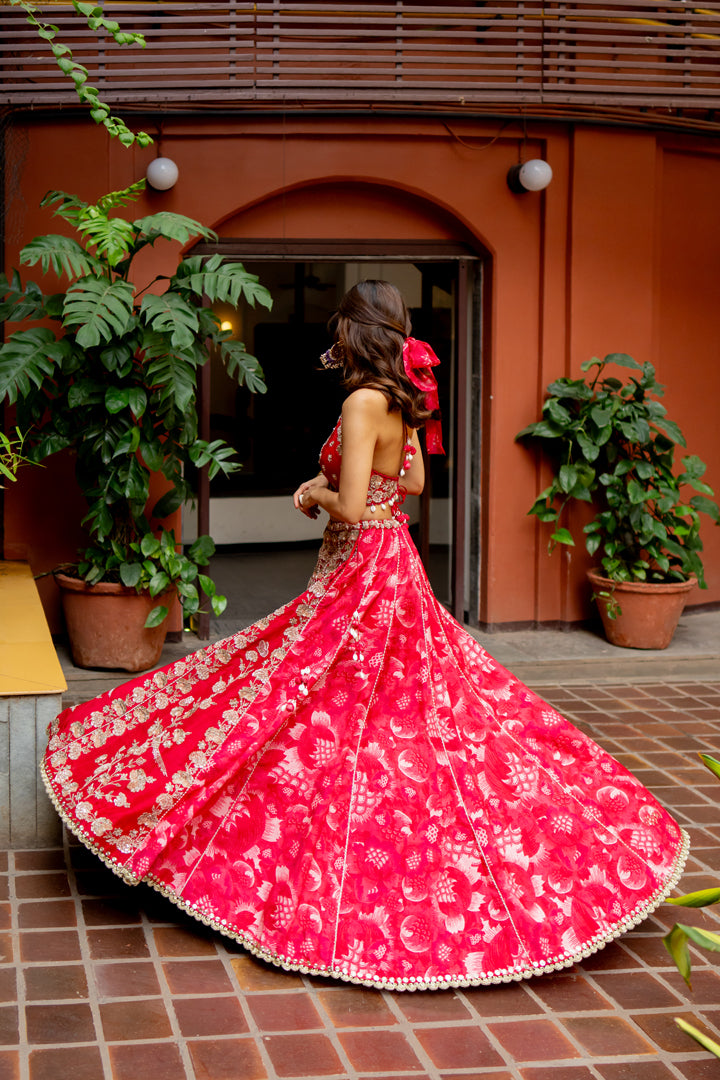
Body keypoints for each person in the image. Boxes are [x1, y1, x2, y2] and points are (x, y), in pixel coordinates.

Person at [42, 280, 688, 992]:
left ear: (355, 330)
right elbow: (410, 486)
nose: (333, 339)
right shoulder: (402, 396)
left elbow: (350, 506)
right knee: (397, 708)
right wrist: (359, 493)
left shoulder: (360, 401)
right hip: (394, 562)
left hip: (360, 570)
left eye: (339, 328)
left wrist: (311, 492)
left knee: (305, 693)